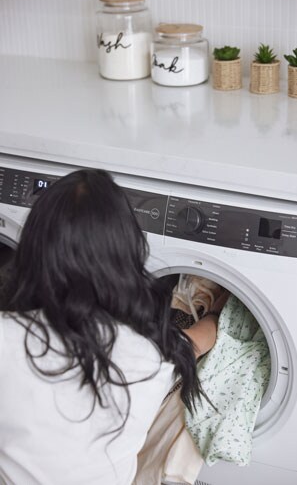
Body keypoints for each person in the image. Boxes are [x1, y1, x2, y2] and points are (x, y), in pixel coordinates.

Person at [0, 169, 228, 485]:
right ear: (126, 255)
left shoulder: (6, 340)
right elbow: (197, 342)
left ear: (34, 248)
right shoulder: (152, 353)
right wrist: (216, 314)